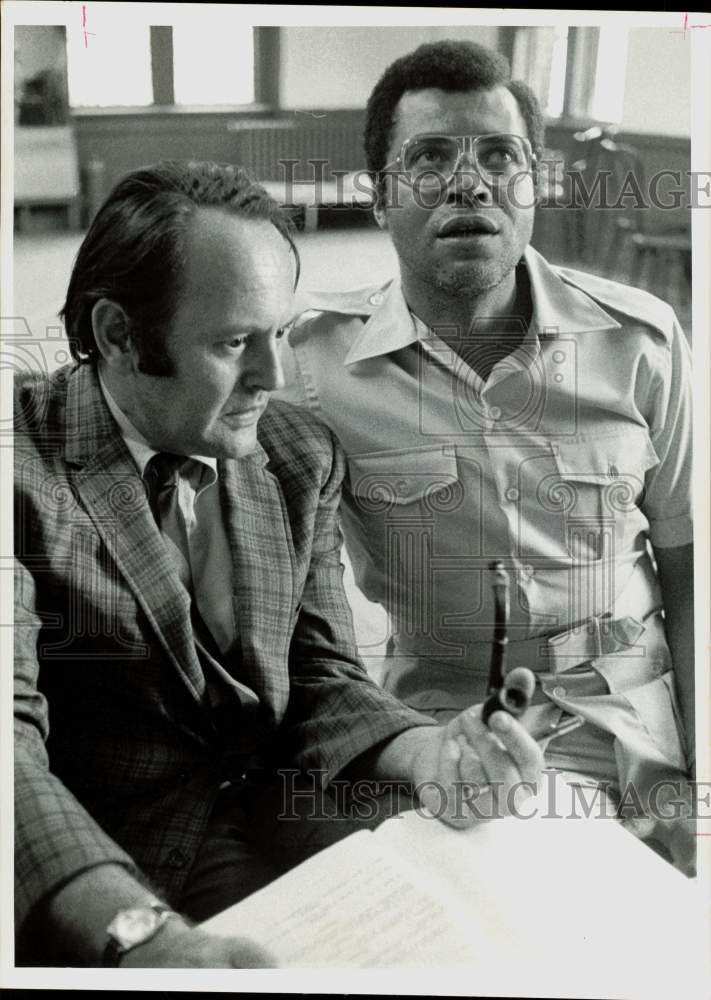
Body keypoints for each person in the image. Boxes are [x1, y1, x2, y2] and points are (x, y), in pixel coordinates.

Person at [13, 161, 545, 968]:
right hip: (119, 861)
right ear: (118, 334)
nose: (274, 377)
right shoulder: (19, 465)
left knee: (501, 933)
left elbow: (322, 670)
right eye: (233, 344)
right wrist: (135, 934)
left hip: (295, 801)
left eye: (278, 334)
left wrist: (425, 753)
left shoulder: (298, 455)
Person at [277, 41, 695, 871]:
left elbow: (692, 569)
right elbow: (287, 614)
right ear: (376, 196)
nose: (468, 183)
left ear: (532, 183)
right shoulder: (311, 368)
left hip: (632, 709)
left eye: (499, 156)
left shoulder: (641, 342)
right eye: (428, 158)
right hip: (441, 723)